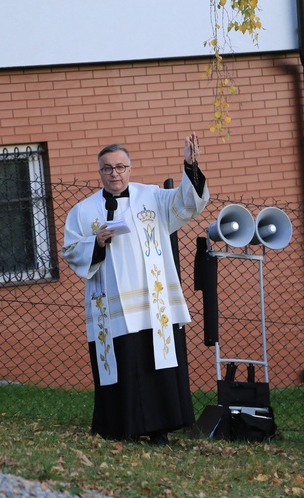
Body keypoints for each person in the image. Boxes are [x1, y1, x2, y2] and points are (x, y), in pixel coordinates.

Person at [61, 133, 209, 446]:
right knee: (121, 366)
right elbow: (71, 250)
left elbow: (188, 203)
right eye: (107, 168)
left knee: (159, 367)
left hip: (153, 304)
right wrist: (96, 243)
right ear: (99, 172)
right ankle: (119, 428)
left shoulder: (153, 197)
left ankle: (160, 430)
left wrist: (190, 165)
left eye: (121, 167)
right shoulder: (83, 211)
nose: (115, 173)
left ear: (130, 168)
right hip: (112, 309)